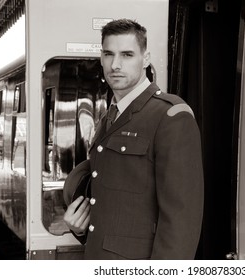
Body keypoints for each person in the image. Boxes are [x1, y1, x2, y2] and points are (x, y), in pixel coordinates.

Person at [63, 18, 204, 260]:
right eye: (109, 54)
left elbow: (181, 220)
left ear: (145, 58)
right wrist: (80, 229)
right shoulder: (109, 117)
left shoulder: (170, 115)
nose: (115, 64)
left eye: (127, 54)